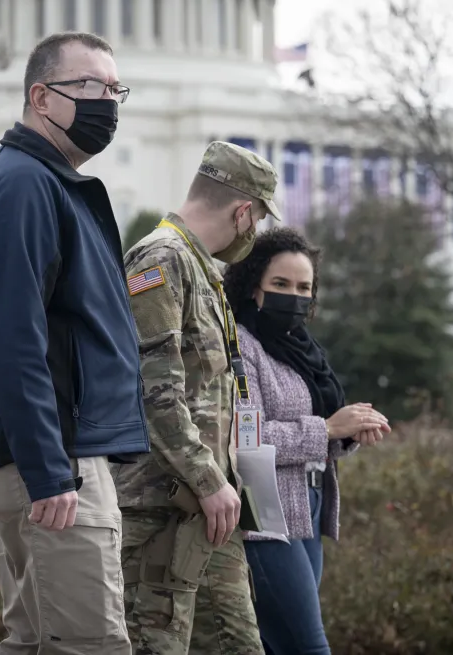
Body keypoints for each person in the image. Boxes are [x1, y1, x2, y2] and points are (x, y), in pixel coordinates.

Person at [0, 31, 150, 655]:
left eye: (116, 90)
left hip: (53, 457)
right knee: (89, 647)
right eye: (91, 87)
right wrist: (48, 471)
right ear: (41, 96)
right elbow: (12, 340)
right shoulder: (23, 184)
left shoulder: (45, 183)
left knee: (35, 644)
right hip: (54, 461)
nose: (108, 103)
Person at [116, 140, 280, 654]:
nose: (253, 233)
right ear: (243, 211)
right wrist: (209, 480)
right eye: (256, 222)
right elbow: (155, 387)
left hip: (211, 509)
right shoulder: (162, 261)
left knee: (239, 646)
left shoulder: (201, 267)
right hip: (164, 508)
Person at [222, 227, 390, 655]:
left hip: (309, 509)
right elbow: (244, 439)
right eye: (280, 284)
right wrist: (329, 429)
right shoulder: (240, 344)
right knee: (308, 647)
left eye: (304, 287)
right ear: (253, 286)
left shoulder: (301, 347)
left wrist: (348, 431)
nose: (293, 296)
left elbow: (321, 425)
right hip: (264, 517)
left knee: (274, 645)